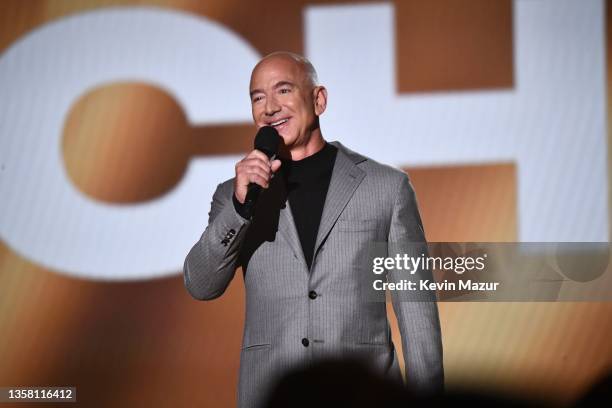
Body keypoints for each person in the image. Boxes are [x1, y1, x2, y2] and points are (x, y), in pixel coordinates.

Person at [183, 51, 444, 408]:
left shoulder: (386, 187)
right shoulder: (234, 194)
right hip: (272, 393)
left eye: (283, 91)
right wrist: (241, 209)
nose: (270, 107)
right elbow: (200, 285)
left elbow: (416, 308)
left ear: (318, 100)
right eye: (258, 98)